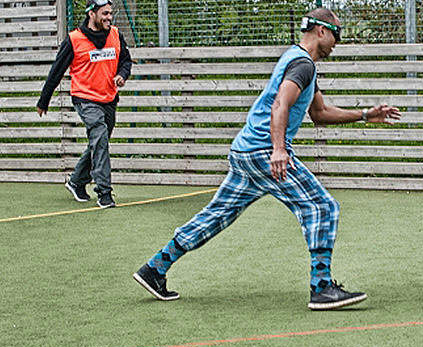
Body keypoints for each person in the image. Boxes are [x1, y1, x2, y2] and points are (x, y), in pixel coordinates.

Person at [133, 8, 401, 310]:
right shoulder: (302, 65)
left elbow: (320, 113)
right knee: (322, 207)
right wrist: (278, 149)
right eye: (336, 34)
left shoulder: (298, 61)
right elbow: (279, 105)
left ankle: (155, 269)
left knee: (215, 217)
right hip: (264, 152)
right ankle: (322, 288)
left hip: (245, 151)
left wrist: (365, 115)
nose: (338, 42)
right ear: (321, 31)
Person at [37, 0, 131, 209]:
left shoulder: (115, 35)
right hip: (85, 98)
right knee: (99, 136)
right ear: (92, 14)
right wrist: (44, 100)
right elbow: (57, 70)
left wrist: (122, 75)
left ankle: (76, 181)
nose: (109, 17)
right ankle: (104, 193)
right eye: (104, 13)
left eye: (110, 13)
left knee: (99, 142)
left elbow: (126, 60)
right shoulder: (74, 39)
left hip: (108, 98)